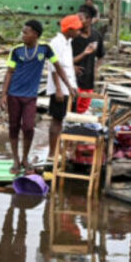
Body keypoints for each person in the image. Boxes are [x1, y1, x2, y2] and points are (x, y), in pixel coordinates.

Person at [0, 20, 59, 174]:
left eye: (26, 32)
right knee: (13, 126)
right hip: (14, 94)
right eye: (22, 32)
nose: (22, 35)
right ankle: (16, 160)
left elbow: (58, 66)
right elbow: (9, 72)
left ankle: (25, 158)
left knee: (28, 127)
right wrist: (3, 95)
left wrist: (64, 86)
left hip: (30, 97)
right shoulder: (16, 51)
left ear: (35, 35)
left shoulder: (45, 49)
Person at [47, 14, 81, 159]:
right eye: (77, 29)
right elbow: (53, 67)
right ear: (70, 29)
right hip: (59, 88)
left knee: (64, 120)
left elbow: (67, 67)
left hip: (68, 87)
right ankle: (51, 153)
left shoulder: (68, 42)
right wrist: (59, 89)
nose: (79, 32)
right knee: (57, 119)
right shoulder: (56, 42)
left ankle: (59, 150)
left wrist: (73, 86)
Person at [71, 0, 105, 113]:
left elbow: (101, 56)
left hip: (88, 81)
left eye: (80, 19)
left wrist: (96, 70)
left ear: (89, 20)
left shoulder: (96, 36)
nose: (78, 22)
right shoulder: (72, 36)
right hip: (72, 80)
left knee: (82, 111)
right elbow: (62, 60)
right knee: (71, 109)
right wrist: (71, 67)